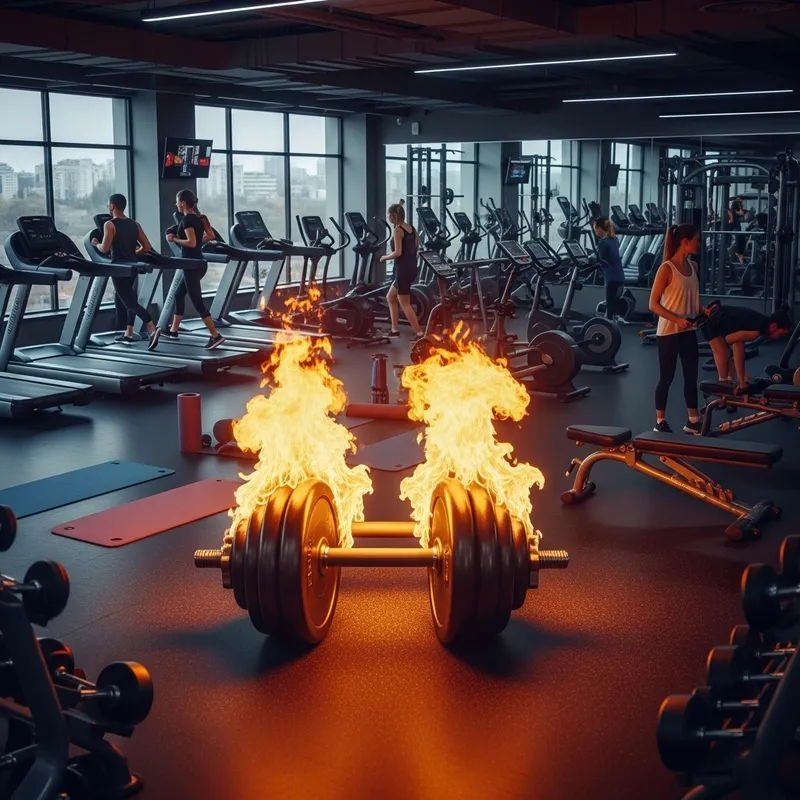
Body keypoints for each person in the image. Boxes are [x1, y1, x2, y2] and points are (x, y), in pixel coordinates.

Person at [649, 223, 705, 435]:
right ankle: (660, 422)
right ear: (685, 242)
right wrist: (677, 320)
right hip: (669, 332)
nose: (699, 244)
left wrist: (703, 309)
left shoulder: (693, 266)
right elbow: (653, 304)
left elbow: (688, 298)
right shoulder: (666, 268)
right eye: (697, 240)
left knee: (691, 377)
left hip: (688, 330)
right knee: (667, 378)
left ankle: (693, 421)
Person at [91, 193, 160, 351]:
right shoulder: (135, 224)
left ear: (112, 206)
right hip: (132, 267)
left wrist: (95, 244)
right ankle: (128, 333)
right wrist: (132, 255)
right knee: (123, 298)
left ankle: (152, 328)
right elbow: (146, 247)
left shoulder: (109, 224)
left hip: (119, 268)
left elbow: (105, 248)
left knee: (130, 303)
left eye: (108, 205)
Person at [165, 189, 225, 350]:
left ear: (183, 203)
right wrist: (197, 241)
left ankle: (215, 336)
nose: (176, 204)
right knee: (178, 294)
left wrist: (174, 239)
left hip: (191, 265)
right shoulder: (199, 218)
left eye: (177, 201)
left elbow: (191, 243)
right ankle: (173, 331)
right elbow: (210, 236)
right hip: (199, 263)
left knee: (197, 302)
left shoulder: (187, 220)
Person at [703, 305, 792, 389]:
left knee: (729, 366)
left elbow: (736, 343)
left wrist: (741, 377)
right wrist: (742, 379)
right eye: (780, 334)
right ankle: (723, 388)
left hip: (715, 317)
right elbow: (730, 340)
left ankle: (726, 391)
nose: (778, 337)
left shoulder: (759, 322)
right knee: (724, 355)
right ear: (773, 327)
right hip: (713, 320)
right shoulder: (756, 331)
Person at [379, 199, 423, 340]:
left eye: (389, 215)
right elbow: (417, 247)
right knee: (390, 297)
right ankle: (394, 330)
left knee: (404, 303)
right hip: (411, 268)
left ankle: (419, 333)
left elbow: (398, 253)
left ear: (394, 216)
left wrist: (384, 258)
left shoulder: (397, 231)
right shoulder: (412, 229)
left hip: (403, 270)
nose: (388, 217)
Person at [592, 217, 626, 321]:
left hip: (611, 279)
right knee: (611, 306)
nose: (595, 231)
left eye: (596, 228)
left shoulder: (603, 243)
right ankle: (610, 323)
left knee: (610, 308)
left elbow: (599, 259)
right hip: (619, 276)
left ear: (600, 228)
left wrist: (591, 262)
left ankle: (607, 326)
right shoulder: (614, 240)